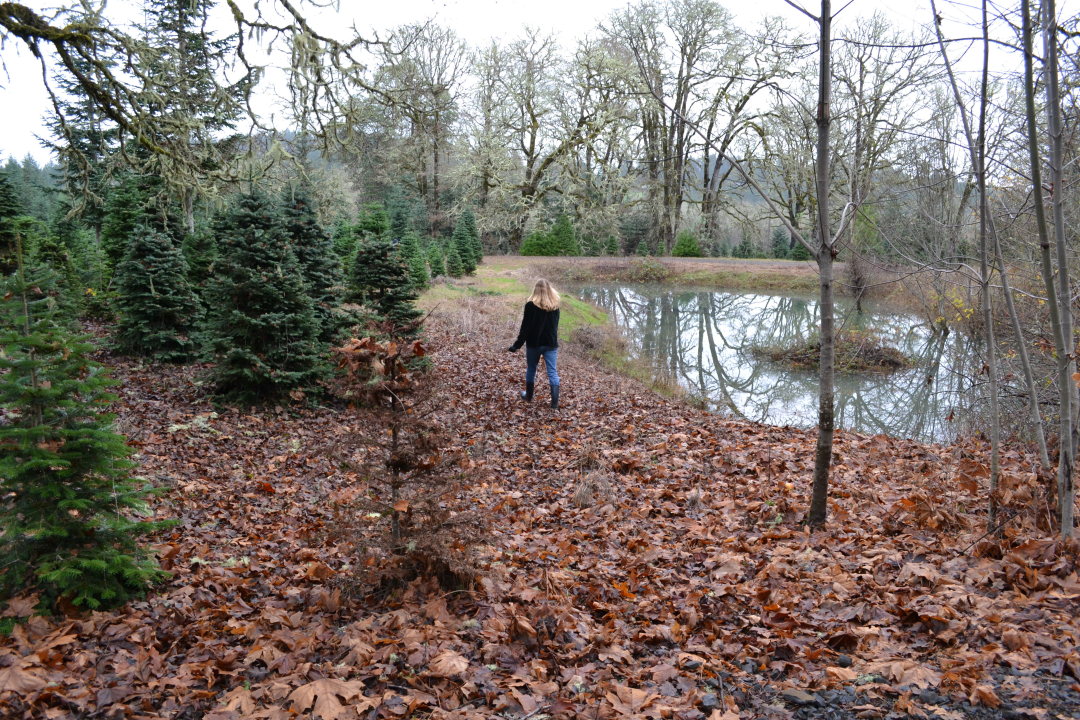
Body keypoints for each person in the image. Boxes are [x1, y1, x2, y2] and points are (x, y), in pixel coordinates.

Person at [507, 279, 561, 409]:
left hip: (534, 344)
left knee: (531, 368)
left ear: (535, 290)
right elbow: (555, 327)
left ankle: (528, 396)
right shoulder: (555, 306)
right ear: (549, 289)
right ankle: (554, 404)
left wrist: (516, 345)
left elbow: (525, 328)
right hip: (550, 344)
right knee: (552, 372)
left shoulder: (530, 305)